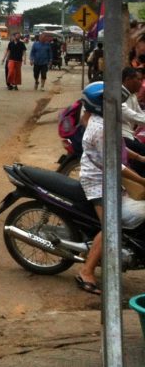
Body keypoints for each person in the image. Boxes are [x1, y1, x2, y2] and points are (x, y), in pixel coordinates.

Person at [75, 80, 145, 295]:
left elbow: (120, 148)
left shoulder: (102, 121)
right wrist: (142, 181)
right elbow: (116, 164)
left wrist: (140, 157)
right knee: (110, 226)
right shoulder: (100, 128)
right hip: (97, 182)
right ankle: (86, 271)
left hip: (107, 178)